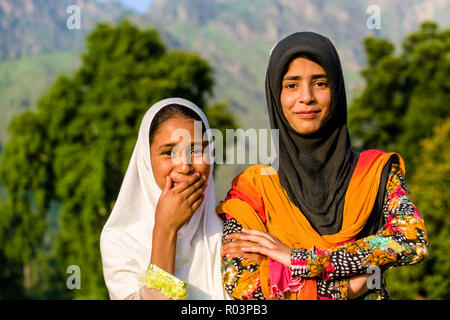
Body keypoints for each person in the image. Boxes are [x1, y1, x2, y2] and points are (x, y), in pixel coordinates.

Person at [218, 32, 428, 300]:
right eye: (292, 85)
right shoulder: (253, 191)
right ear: (275, 94)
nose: (307, 97)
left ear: (337, 90)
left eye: (319, 83)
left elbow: (412, 241)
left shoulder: (375, 173)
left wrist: (300, 259)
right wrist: (346, 289)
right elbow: (243, 286)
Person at [100, 98, 229, 300]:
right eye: (168, 152)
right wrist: (165, 230)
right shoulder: (120, 240)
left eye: (196, 150)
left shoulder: (233, 227)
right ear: (146, 159)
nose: (185, 166)